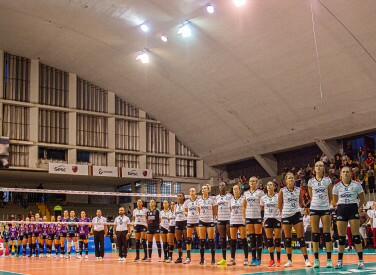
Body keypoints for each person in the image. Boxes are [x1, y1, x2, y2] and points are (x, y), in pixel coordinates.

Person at [333, 166, 365, 269]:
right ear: (341, 174)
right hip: (341, 209)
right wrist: (340, 206)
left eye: (347, 172)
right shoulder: (336, 186)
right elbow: (334, 200)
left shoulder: (357, 185)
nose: (346, 173)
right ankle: (339, 261)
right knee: (341, 238)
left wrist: (357, 208)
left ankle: (360, 260)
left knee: (356, 236)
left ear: (350, 173)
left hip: (353, 209)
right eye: (344, 172)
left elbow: (362, 199)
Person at [278, 172, 311, 268]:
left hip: (296, 214)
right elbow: (279, 204)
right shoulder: (282, 191)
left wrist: (302, 207)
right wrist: (283, 213)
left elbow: (301, 203)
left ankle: (307, 260)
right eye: (289, 178)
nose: (291, 179)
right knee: (288, 239)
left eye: (292, 178)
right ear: (286, 181)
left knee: (301, 238)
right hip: (286, 215)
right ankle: (289, 260)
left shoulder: (298, 190)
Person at [308, 161, 333, 268]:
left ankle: (329, 259)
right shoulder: (310, 181)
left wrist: (327, 204)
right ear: (314, 168)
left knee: (327, 234)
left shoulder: (328, 180)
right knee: (315, 234)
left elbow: (330, 195)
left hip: (325, 208)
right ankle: (316, 259)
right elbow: (311, 195)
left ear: (324, 168)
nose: (319, 167)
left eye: (321, 166)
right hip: (314, 208)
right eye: (317, 165)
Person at [244, 176, 265, 266]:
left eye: (254, 181)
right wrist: (244, 217)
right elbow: (244, 205)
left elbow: (263, 206)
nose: (252, 182)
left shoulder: (260, 193)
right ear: (249, 183)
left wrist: (262, 217)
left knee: (258, 237)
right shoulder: (246, 193)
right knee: (251, 237)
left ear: (257, 183)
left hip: (257, 217)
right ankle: (253, 258)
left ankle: (259, 258)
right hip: (249, 216)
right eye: (250, 181)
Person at [261, 181, 282, 267]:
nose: (269, 186)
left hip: (276, 219)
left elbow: (281, 207)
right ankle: (271, 260)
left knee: (277, 240)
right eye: (268, 185)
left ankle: (278, 259)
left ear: (274, 187)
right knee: (269, 240)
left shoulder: (278, 196)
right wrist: (263, 220)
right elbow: (262, 209)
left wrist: (282, 219)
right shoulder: (263, 198)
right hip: (267, 219)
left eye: (271, 185)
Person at [227, 184, 248, 266]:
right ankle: (232, 259)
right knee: (233, 240)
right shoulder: (231, 200)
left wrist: (245, 218)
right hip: (233, 221)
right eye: (234, 189)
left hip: (241, 221)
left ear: (240, 190)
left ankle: (246, 258)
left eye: (236, 189)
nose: (235, 190)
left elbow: (245, 208)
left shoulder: (243, 199)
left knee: (243, 239)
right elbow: (230, 210)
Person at [197, 185, 217, 265]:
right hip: (202, 221)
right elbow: (199, 211)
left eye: (204, 188)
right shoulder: (199, 201)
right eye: (202, 188)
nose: (203, 189)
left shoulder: (212, 200)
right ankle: (202, 259)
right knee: (202, 240)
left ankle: (213, 259)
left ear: (208, 190)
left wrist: (211, 218)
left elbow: (215, 211)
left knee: (211, 240)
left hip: (210, 221)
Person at [216, 182, 233, 265]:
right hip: (220, 219)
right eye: (220, 185)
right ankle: (224, 259)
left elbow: (232, 207)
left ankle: (232, 258)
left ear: (226, 187)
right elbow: (216, 209)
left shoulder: (229, 196)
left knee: (230, 238)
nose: (221, 186)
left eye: (223, 185)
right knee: (222, 239)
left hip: (228, 219)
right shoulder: (217, 197)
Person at [183, 188, 200, 264]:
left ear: (195, 192)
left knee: (201, 238)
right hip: (190, 220)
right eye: (190, 191)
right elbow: (185, 211)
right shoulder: (187, 202)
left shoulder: (199, 201)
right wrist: (187, 214)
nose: (191, 192)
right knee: (188, 239)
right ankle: (188, 257)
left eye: (193, 191)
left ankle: (202, 257)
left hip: (197, 221)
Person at [174, 193, 187, 263]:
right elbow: (174, 215)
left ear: (183, 197)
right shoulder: (175, 206)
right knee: (178, 241)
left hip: (185, 221)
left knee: (187, 240)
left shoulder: (186, 204)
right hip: (178, 222)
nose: (179, 197)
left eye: (180, 196)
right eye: (178, 196)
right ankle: (180, 257)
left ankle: (188, 257)